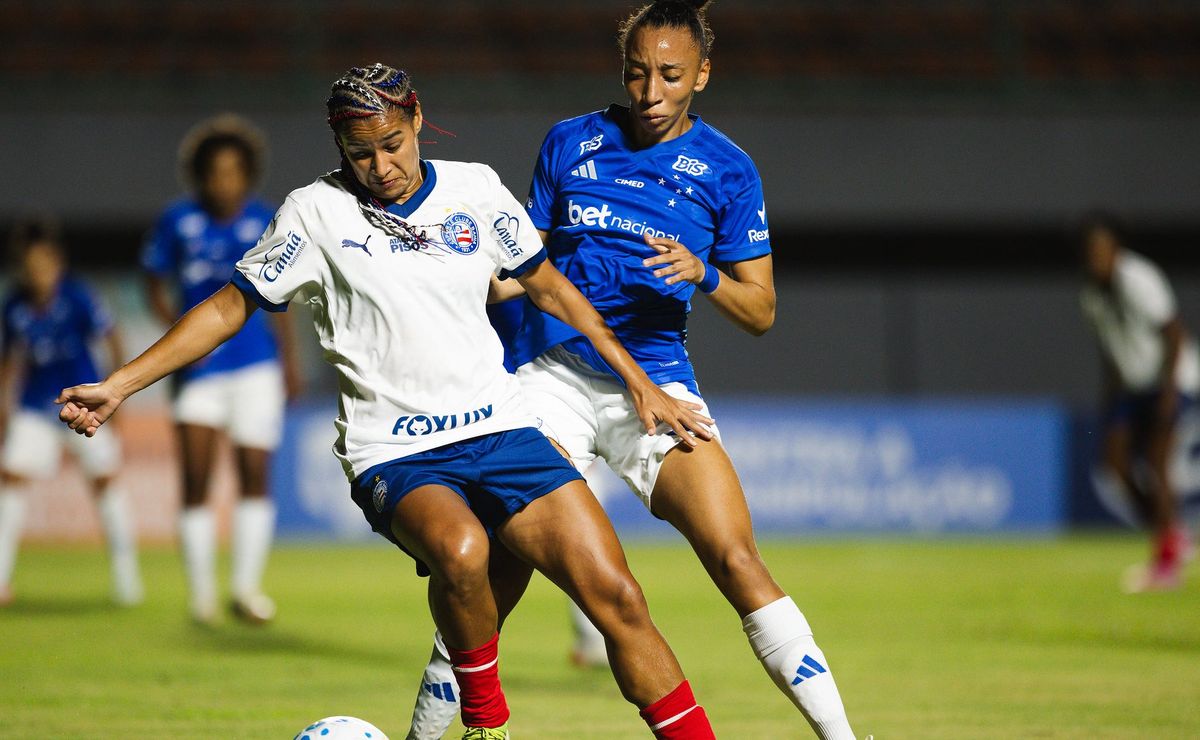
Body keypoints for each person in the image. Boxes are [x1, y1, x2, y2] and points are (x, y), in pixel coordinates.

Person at [59, 63, 718, 739]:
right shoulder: (313, 214)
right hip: (397, 451)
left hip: (504, 429)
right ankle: (488, 729)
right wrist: (119, 385)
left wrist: (639, 381)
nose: (380, 166)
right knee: (462, 552)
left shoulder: (477, 190)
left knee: (620, 597)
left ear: (417, 121)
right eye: (360, 154)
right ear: (339, 149)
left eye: (392, 144)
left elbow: (549, 287)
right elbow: (230, 307)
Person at [407, 2, 859, 739]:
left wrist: (704, 273)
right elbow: (526, 265)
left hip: (658, 383)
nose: (649, 90)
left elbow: (761, 310)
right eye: (636, 72)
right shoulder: (571, 141)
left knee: (737, 558)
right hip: (553, 377)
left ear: (703, 75)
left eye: (670, 75)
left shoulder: (729, 169)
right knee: (495, 575)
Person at [142, 114, 302, 624]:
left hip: (256, 366)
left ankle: (246, 589)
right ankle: (201, 597)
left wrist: (290, 362)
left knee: (254, 474)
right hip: (200, 373)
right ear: (200, 175)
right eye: (215, 171)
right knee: (195, 478)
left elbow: (280, 302)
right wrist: (179, 340)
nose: (224, 181)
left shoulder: (266, 220)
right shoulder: (177, 220)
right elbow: (153, 281)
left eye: (234, 171)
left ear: (247, 174)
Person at [0, 219, 142, 607]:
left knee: (105, 482)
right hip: (35, 404)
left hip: (83, 404)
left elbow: (112, 337)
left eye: (44, 266)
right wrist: (3, 407)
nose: (38, 275)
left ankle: (127, 578)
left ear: (57, 263)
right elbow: (9, 361)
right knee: (10, 479)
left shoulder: (78, 297)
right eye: (29, 268)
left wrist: (118, 391)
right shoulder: (14, 305)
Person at [1079, 213, 1197, 592]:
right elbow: (1109, 355)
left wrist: (1167, 393)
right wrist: (1108, 404)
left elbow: (1174, 333)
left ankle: (1166, 568)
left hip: (1169, 380)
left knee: (1157, 466)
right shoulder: (1092, 295)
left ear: (1116, 249)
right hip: (1131, 387)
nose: (1097, 258)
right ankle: (1172, 536)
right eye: (1090, 251)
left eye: (1102, 249)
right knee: (1114, 465)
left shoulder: (1139, 278)